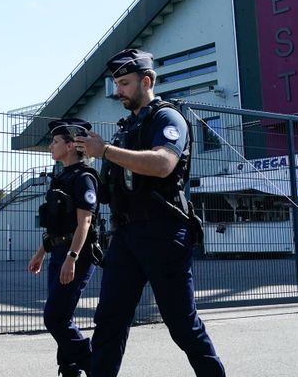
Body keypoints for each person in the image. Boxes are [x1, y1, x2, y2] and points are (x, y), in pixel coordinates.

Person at [77, 49, 226, 377]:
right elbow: (111, 188)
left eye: (125, 83)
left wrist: (106, 151)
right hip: (126, 235)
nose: (118, 91)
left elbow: (162, 164)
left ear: (146, 81)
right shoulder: (126, 128)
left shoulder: (167, 118)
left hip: (163, 232)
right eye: (117, 84)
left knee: (182, 323)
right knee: (109, 319)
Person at [28, 118, 101, 377]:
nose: (51, 146)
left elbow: (85, 222)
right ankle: (69, 369)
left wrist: (72, 257)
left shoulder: (84, 178)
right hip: (59, 252)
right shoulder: (61, 177)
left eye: (56, 141)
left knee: (54, 317)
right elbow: (55, 226)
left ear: (70, 146)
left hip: (77, 254)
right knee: (62, 316)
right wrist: (40, 253)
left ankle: (95, 366)